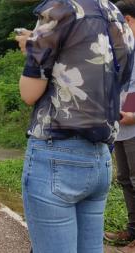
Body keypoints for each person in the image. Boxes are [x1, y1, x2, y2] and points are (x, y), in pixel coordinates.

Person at [16, 0, 134, 252]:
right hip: (100, 158)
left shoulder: (59, 9)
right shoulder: (117, 16)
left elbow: (29, 93)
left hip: (56, 154)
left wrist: (33, 48)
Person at [104, 1, 135, 252]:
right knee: (125, 179)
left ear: (128, 20)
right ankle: (132, 230)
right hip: (121, 127)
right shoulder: (123, 50)